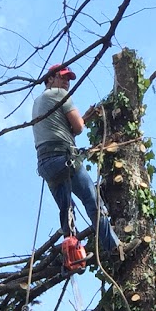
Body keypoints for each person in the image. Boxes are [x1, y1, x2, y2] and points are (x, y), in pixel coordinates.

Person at [32, 63, 118, 262]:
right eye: (62, 78)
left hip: (46, 165)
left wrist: (85, 118)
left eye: (68, 80)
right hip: (64, 159)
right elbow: (78, 128)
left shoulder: (39, 102)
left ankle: (72, 255)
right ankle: (113, 247)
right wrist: (82, 121)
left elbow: (61, 131)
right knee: (92, 201)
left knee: (66, 211)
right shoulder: (58, 94)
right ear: (50, 79)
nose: (66, 83)